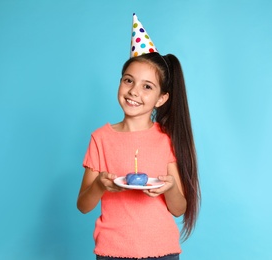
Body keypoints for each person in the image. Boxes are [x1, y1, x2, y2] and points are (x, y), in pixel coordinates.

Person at [77, 14, 200, 260]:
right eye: (128, 81)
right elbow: (83, 206)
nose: (134, 91)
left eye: (147, 86)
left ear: (162, 98)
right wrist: (100, 184)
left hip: (162, 251)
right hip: (113, 251)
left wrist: (172, 187)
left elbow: (179, 209)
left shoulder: (165, 140)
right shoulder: (100, 138)